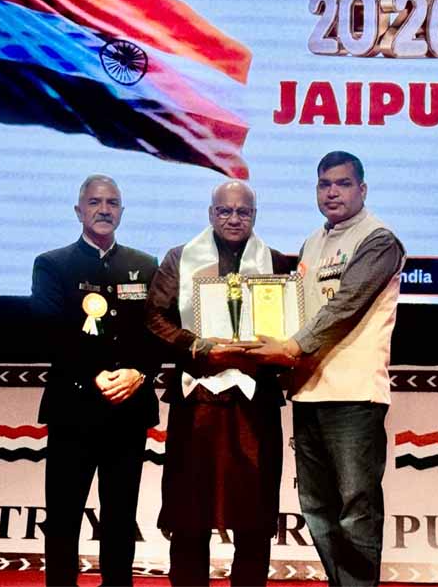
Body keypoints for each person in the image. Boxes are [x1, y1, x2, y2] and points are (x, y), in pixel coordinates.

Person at [248, 152, 405, 586]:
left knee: (356, 509)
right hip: (309, 390)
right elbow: (298, 310)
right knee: (317, 509)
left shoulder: (379, 240)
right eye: (324, 184)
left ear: (362, 189)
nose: (332, 192)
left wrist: (291, 347)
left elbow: (345, 306)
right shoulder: (312, 243)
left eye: (343, 183)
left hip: (354, 394)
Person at [145, 180, 296, 587]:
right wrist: (194, 345)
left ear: (254, 216)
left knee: (254, 517)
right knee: (189, 516)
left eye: (243, 212)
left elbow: (291, 328)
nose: (234, 219)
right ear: (211, 214)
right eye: (225, 211)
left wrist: (273, 350)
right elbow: (154, 318)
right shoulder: (179, 258)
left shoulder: (276, 263)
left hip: (253, 403)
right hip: (198, 400)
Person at [31, 175, 161, 587]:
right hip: (73, 409)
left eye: (112, 203)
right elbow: (49, 332)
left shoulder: (146, 265)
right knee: (64, 516)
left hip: (128, 408)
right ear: (78, 211)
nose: (104, 210)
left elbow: (158, 330)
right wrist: (92, 375)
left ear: (122, 211)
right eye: (94, 202)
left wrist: (140, 372)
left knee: (121, 517)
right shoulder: (52, 264)